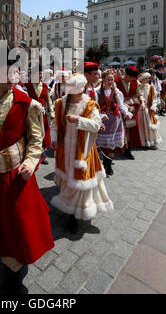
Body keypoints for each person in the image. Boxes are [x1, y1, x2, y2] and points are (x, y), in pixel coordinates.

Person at [0, 49, 54, 294]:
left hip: (18, 173)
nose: (18, 73)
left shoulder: (28, 103)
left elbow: (37, 139)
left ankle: (13, 274)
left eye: (18, 68)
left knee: (19, 222)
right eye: (12, 69)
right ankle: (8, 258)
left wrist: (31, 161)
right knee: (1, 219)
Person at [50, 73, 113, 234]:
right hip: (65, 151)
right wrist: (54, 138)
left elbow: (96, 125)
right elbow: (54, 124)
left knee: (81, 182)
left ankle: (78, 212)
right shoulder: (60, 103)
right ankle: (69, 210)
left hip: (83, 152)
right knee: (68, 181)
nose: (78, 91)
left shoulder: (90, 104)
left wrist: (78, 120)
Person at [96, 70, 133, 177]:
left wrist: (126, 113)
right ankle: (103, 163)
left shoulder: (117, 92)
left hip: (115, 123)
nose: (110, 82)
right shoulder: (97, 92)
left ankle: (108, 165)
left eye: (112, 79)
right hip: (103, 123)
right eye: (108, 79)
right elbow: (95, 108)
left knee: (112, 147)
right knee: (103, 147)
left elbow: (121, 106)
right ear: (103, 80)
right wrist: (100, 116)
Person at [23, 67, 54, 165]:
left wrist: (52, 112)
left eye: (41, 74)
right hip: (29, 115)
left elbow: (49, 101)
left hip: (42, 115)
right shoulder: (26, 86)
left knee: (42, 135)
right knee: (30, 134)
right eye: (38, 74)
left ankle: (41, 156)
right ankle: (30, 155)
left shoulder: (45, 87)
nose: (40, 76)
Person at [115, 65, 145, 159]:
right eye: (130, 77)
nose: (131, 79)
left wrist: (142, 102)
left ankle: (127, 149)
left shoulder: (135, 82)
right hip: (119, 107)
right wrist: (122, 103)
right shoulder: (116, 81)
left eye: (133, 77)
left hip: (131, 107)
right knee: (119, 127)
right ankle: (117, 147)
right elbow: (114, 96)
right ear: (126, 74)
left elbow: (139, 94)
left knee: (129, 128)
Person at [137, 72, 162, 148]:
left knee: (148, 125)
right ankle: (141, 142)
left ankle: (150, 141)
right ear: (142, 79)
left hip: (148, 109)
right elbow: (136, 97)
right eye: (146, 78)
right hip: (140, 109)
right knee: (141, 126)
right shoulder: (138, 88)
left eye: (148, 78)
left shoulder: (151, 87)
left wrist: (154, 105)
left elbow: (154, 98)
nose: (148, 80)